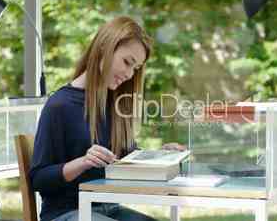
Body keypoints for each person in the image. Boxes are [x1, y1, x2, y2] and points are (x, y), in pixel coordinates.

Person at [29, 16, 183, 221]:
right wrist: (83, 162)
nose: (129, 74)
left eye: (135, 68)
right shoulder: (60, 105)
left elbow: (126, 162)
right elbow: (39, 179)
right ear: (104, 48)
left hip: (108, 209)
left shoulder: (115, 106)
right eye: (127, 62)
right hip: (66, 213)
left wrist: (160, 157)